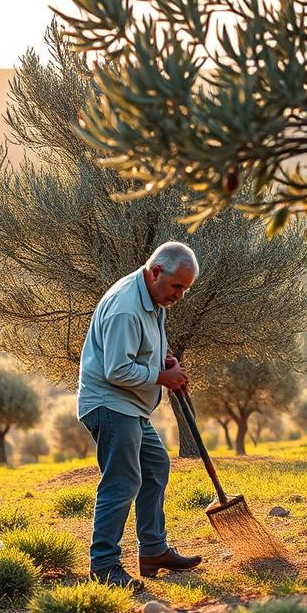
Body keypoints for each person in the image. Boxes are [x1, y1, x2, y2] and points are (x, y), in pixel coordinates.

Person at [76, 242, 203, 589]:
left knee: (156, 465)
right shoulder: (126, 308)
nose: (179, 296)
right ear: (156, 271)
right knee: (122, 481)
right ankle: (103, 565)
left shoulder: (154, 298)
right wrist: (163, 378)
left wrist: (166, 360)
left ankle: (153, 551)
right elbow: (117, 370)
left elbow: (144, 347)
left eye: (185, 289)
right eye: (177, 287)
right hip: (110, 403)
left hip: (129, 405)